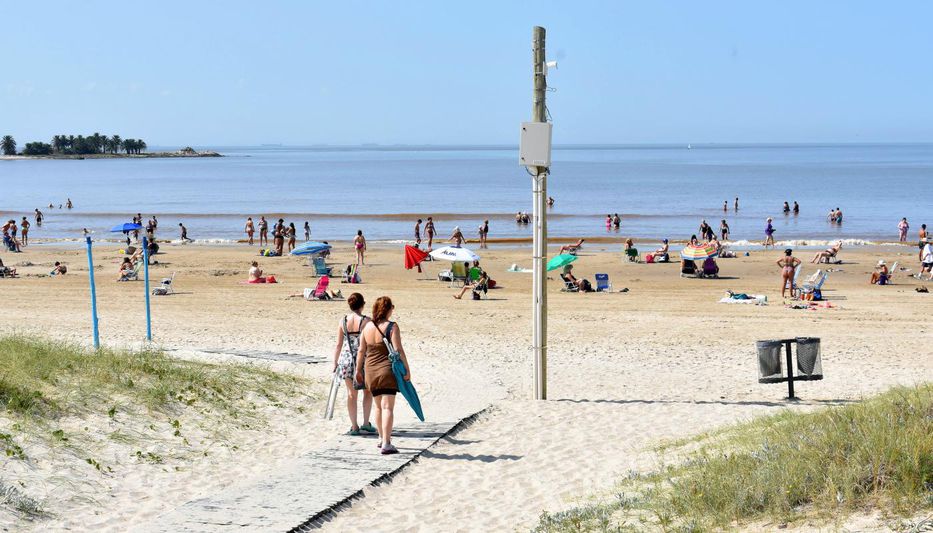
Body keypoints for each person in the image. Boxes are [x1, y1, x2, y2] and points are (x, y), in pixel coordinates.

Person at [356, 296, 410, 455]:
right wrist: (407, 369)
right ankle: (387, 443)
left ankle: (381, 438)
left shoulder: (367, 327)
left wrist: (358, 371)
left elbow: (361, 351)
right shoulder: (392, 327)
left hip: (370, 370)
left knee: (378, 406)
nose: (393, 309)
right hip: (386, 371)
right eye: (392, 307)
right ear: (387, 309)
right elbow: (398, 349)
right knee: (388, 407)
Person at [332, 293, 375, 436]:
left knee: (351, 394)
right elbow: (371, 342)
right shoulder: (367, 321)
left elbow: (338, 344)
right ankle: (366, 423)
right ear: (362, 304)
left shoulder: (343, 321)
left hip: (346, 359)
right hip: (362, 359)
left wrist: (335, 362)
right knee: (367, 392)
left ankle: (354, 426)